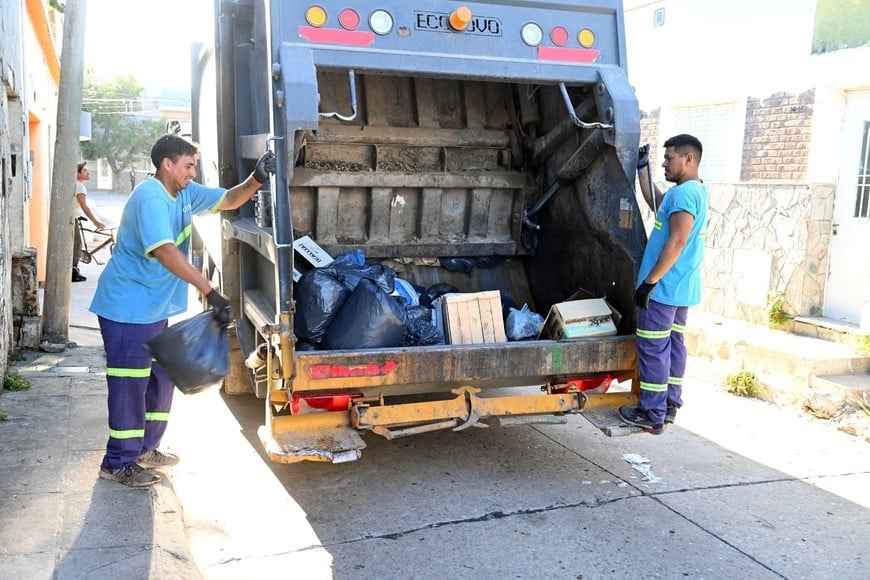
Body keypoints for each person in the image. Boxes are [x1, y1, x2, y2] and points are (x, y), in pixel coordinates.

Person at [89, 134, 276, 487]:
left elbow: (229, 199)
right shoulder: (150, 197)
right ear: (167, 165)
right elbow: (164, 251)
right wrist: (209, 290)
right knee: (130, 384)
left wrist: (257, 178)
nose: (193, 172)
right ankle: (118, 461)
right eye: (188, 166)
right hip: (127, 308)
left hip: (153, 309)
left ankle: (145, 450)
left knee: (161, 379)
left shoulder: (186, 193)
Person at [618, 134, 708, 435]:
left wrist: (649, 282)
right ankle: (668, 405)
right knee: (673, 345)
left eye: (669, 159)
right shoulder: (691, 191)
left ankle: (651, 413)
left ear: (688, 159)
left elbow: (677, 241)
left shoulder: (683, 195)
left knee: (653, 347)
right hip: (681, 288)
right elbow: (656, 201)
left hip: (664, 289)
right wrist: (643, 170)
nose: (665, 163)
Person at [73, 162, 106, 282]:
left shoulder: (77, 185)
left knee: (76, 245)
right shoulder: (80, 187)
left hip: (74, 217)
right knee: (76, 245)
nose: (88, 172)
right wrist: (95, 221)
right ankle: (73, 271)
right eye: (85, 170)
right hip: (72, 219)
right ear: (78, 174)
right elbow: (84, 206)